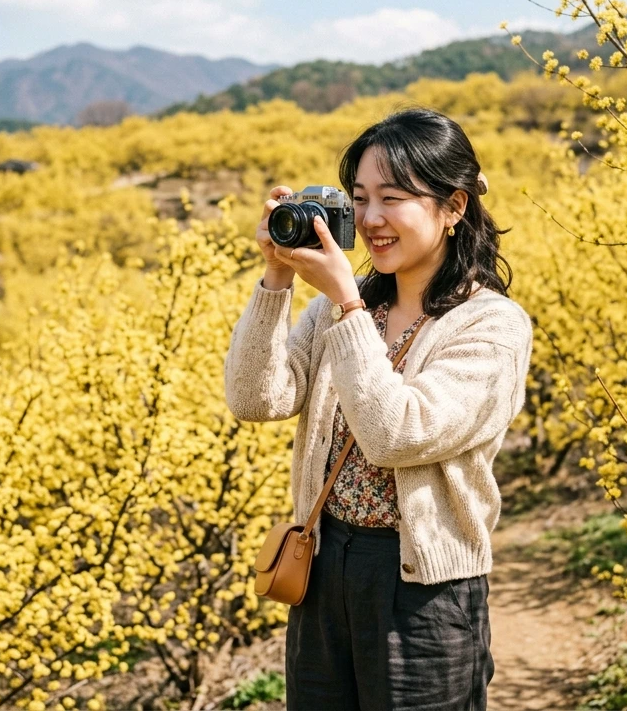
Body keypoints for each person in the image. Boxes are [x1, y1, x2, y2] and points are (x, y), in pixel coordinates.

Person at [224, 108, 531, 710]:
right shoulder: (348, 307)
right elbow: (256, 399)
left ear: (454, 207)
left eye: (392, 198)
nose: (369, 221)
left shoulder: (492, 325)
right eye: (359, 199)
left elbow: (396, 434)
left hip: (423, 586)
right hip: (321, 565)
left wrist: (344, 304)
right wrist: (275, 280)